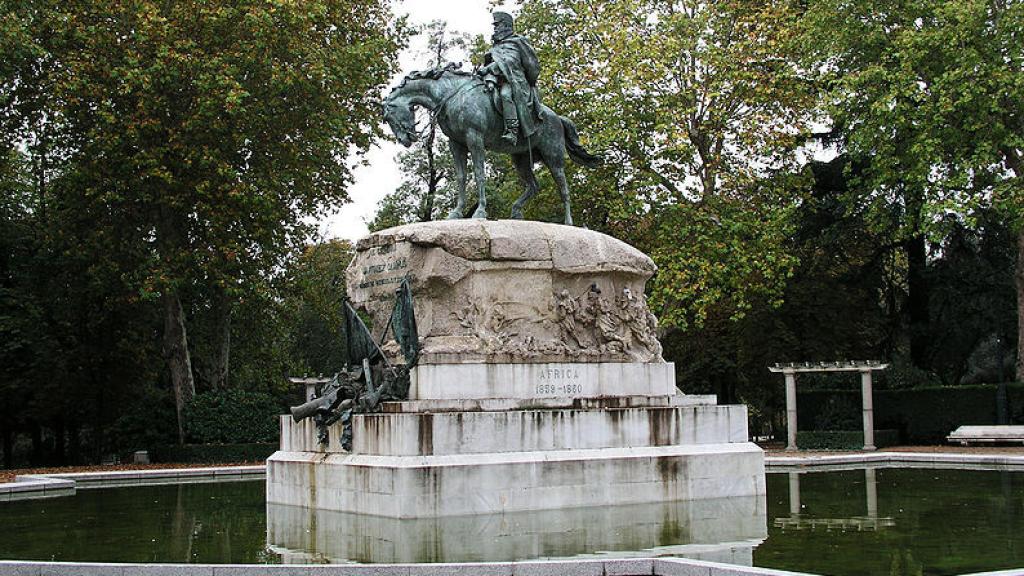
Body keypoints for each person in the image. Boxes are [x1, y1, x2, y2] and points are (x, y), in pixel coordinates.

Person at [476, 11, 545, 144]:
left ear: (506, 25)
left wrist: (490, 68)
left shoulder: (518, 42)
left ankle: (512, 130)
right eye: (494, 25)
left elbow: (512, 61)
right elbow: (490, 63)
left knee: (505, 95)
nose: (495, 28)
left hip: (514, 81)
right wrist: (488, 73)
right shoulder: (495, 46)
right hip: (494, 80)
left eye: (497, 25)